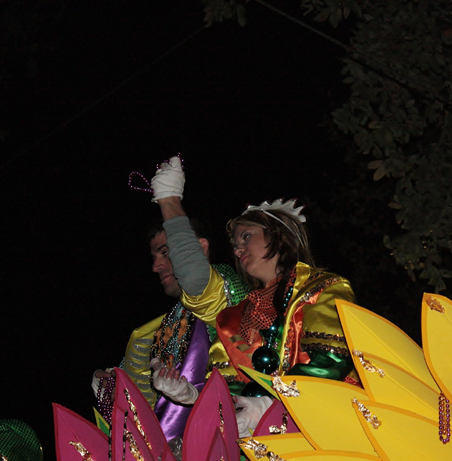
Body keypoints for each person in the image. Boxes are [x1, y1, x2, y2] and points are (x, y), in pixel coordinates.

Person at [148, 156, 356, 435]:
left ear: (279, 235)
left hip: (329, 430)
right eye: (235, 244)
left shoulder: (322, 288)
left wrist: (269, 403)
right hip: (265, 447)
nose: (237, 249)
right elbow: (232, 390)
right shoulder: (235, 317)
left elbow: (332, 359)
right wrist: (190, 396)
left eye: (246, 237)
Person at [92, 219, 248, 445]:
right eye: (154, 257)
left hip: (222, 443)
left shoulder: (223, 287)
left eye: (165, 253)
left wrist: (169, 199)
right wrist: (110, 381)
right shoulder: (170, 321)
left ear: (200, 248)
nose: (157, 266)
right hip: (173, 455)